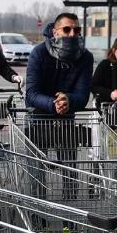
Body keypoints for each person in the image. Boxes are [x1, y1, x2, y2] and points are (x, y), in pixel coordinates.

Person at [25, 13, 94, 201]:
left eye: (77, 30)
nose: (72, 34)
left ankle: (69, 223)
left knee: (70, 172)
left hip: (66, 120)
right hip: (38, 118)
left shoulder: (85, 57)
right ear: (55, 32)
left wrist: (68, 100)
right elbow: (31, 93)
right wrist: (54, 104)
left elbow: (83, 95)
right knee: (37, 173)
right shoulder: (39, 53)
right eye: (67, 29)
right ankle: (39, 219)